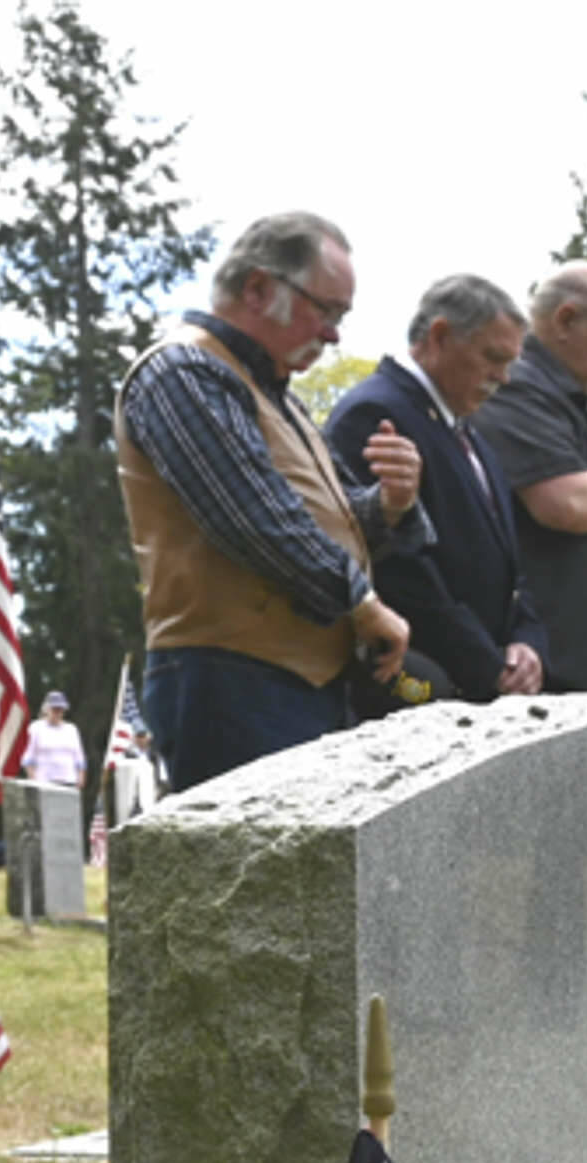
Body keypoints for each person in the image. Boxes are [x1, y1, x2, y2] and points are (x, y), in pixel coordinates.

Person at [115, 211, 427, 791]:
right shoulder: (182, 370)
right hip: (229, 682)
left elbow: (326, 518)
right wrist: (362, 605)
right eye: (326, 310)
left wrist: (389, 503)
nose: (334, 335)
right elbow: (253, 521)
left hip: (294, 687)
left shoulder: (277, 396)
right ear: (258, 289)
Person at [327, 275, 546, 703]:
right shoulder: (374, 413)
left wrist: (526, 643)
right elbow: (398, 570)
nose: (503, 378)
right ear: (440, 336)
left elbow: (509, 565)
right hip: (421, 687)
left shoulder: (470, 433)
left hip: (483, 682)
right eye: (493, 358)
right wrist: (488, 667)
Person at [470, 262, 587, 692]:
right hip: (557, 671)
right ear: (566, 320)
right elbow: (567, 504)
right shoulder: (516, 387)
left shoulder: (577, 404)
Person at [21, 692, 86, 788]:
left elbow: (79, 757)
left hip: (69, 781)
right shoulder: (36, 728)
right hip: (44, 781)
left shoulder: (71, 729)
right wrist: (33, 779)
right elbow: (28, 757)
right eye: (54, 709)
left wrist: (80, 777)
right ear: (46, 709)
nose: (58, 713)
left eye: (60, 710)